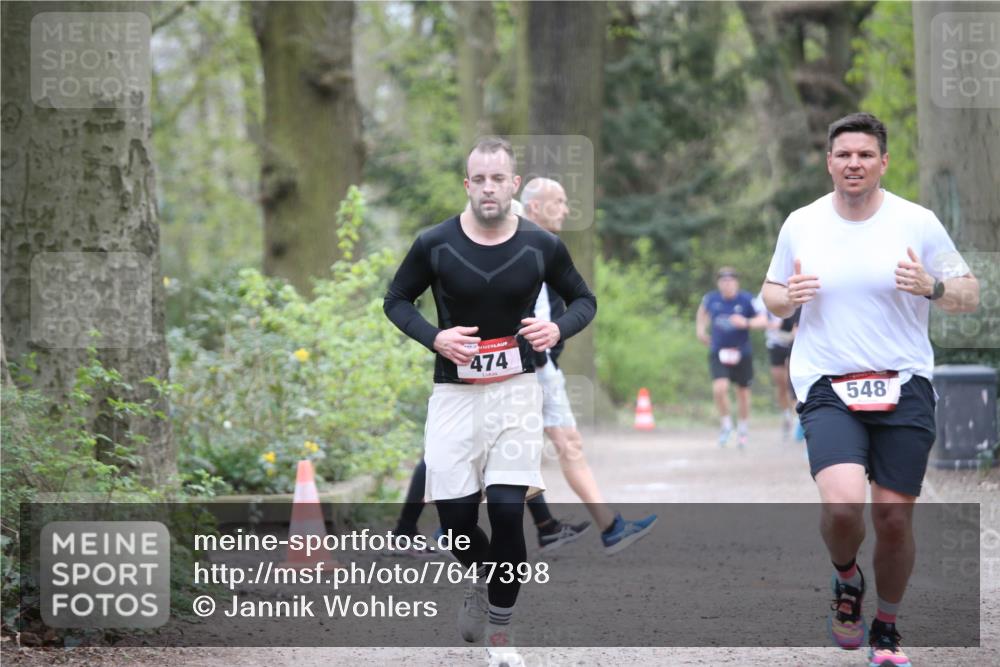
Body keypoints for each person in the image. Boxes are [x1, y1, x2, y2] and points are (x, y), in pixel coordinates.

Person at [761, 112, 979, 667]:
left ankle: (886, 628)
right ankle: (846, 579)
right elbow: (772, 293)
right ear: (829, 162)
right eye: (843, 155)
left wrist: (932, 286)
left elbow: (970, 294)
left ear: (883, 162)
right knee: (842, 508)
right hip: (827, 383)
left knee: (893, 519)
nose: (853, 163)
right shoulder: (802, 223)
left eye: (864, 155)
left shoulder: (918, 222)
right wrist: (789, 297)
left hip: (904, 383)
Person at [383, 137, 597, 667]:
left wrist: (558, 328)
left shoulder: (541, 245)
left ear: (513, 184)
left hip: (516, 393)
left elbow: (584, 299)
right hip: (453, 396)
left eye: (498, 179)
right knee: (457, 524)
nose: (488, 188)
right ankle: (482, 577)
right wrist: (435, 337)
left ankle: (501, 634)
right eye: (478, 179)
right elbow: (396, 300)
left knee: (505, 512)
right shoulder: (434, 243)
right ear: (467, 184)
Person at [520, 177, 657, 553]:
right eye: (559, 201)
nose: (566, 210)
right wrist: (536, 355)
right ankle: (448, 528)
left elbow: (570, 301)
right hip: (525, 366)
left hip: (541, 365)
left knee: (562, 445)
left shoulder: (546, 246)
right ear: (534, 207)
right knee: (514, 450)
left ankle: (603, 526)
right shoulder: (517, 245)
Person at [696, 268, 768, 448]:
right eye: (723, 281)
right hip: (718, 351)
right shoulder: (711, 299)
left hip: (741, 352)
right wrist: (701, 330)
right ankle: (726, 425)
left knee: (742, 393)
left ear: (736, 283)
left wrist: (746, 322)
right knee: (719, 388)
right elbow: (702, 313)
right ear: (718, 283)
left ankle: (742, 429)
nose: (727, 284)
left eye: (730, 281)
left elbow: (763, 320)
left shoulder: (747, 300)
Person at [753, 292, 800, 438]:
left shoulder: (796, 288)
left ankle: (798, 418)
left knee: (793, 381)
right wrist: (771, 324)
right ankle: (786, 415)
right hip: (775, 343)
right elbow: (760, 319)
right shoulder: (765, 294)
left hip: (795, 342)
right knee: (781, 384)